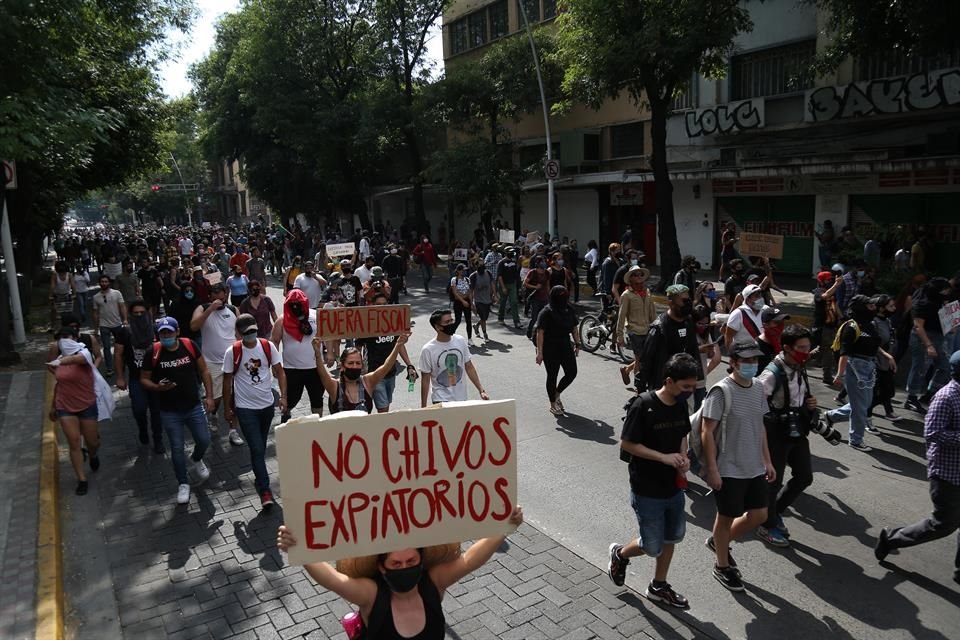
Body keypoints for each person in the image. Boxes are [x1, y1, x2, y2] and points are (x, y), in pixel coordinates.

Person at [276, 506, 524, 639]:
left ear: (421, 559)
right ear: (381, 566)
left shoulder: (433, 584)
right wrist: (299, 550)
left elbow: (470, 560)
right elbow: (332, 580)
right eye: (397, 564)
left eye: (411, 561)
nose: (405, 567)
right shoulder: (372, 595)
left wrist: (504, 528)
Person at [607, 353, 697, 608]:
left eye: (692, 387)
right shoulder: (643, 405)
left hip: (673, 487)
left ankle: (659, 585)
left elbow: (683, 434)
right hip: (646, 488)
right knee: (652, 545)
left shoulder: (680, 405)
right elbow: (627, 443)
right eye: (685, 387)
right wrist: (663, 458)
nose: (689, 392)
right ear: (669, 381)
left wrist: (683, 458)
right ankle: (620, 554)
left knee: (672, 536)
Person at [875, 350, 960, 585]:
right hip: (948, 474)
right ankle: (891, 539)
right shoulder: (946, 397)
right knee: (943, 525)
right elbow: (932, 433)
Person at [700, 339, 777, 592]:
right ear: (732, 363)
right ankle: (722, 566)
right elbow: (706, 432)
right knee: (726, 517)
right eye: (746, 361)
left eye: (755, 361)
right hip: (729, 467)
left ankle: (719, 542)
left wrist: (766, 460)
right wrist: (712, 469)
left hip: (754, 465)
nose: (752, 366)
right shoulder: (721, 391)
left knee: (759, 515)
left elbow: (760, 426)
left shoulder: (757, 388)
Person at [756, 325, 839, 548]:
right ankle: (766, 524)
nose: (806, 351)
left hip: (797, 430)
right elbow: (755, 404)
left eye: (808, 347)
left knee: (804, 477)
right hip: (776, 434)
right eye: (801, 348)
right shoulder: (771, 374)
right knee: (773, 481)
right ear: (786, 348)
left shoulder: (799, 366)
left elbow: (800, 395)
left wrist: (808, 404)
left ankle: (774, 512)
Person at [139, 317, 215, 505]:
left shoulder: (189, 345)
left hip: (193, 405)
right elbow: (144, 379)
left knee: (204, 439)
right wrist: (157, 388)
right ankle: (183, 483)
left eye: (169, 332)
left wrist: (209, 396)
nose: (166, 336)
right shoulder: (153, 352)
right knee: (176, 448)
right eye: (162, 333)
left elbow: (204, 370)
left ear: (177, 331)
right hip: (169, 410)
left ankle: (197, 459)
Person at [222, 314, 287, 510]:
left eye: (253, 331)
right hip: (245, 409)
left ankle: (260, 480)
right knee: (257, 448)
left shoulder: (268, 346)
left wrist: (283, 396)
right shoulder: (232, 352)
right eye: (246, 333)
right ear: (239, 334)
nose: (251, 336)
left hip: (267, 407)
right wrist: (227, 408)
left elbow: (280, 371)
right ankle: (265, 491)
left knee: (259, 444)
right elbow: (226, 382)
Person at [823, 295, 896, 451]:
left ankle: (831, 416)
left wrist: (886, 355)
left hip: (869, 367)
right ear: (860, 308)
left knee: (863, 404)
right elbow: (844, 353)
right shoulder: (851, 327)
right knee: (861, 407)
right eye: (869, 306)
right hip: (855, 369)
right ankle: (856, 439)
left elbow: (873, 344)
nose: (873, 308)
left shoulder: (869, 324)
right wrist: (840, 374)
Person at [48, 327, 103, 495]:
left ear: (76, 337)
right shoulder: (57, 358)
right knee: (73, 442)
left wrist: (61, 362)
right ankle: (81, 479)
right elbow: (59, 383)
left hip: (87, 404)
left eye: (67, 337)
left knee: (92, 441)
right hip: (65, 405)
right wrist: (53, 406)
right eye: (61, 338)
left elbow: (77, 359)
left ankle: (93, 455)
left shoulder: (85, 354)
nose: (65, 341)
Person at [190, 282, 245, 445]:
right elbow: (194, 326)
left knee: (233, 397)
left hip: (233, 360)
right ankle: (213, 416)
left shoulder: (233, 310)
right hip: (212, 362)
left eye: (222, 296)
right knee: (216, 398)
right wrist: (210, 309)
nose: (220, 300)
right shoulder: (202, 308)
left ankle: (233, 430)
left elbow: (240, 332)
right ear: (210, 297)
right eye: (216, 297)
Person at [314, 331, 411, 415]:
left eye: (358, 363)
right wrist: (318, 354)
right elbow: (322, 374)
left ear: (362, 365)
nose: (355, 366)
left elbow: (386, 366)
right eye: (351, 363)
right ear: (342, 366)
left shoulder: (368, 382)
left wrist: (398, 345)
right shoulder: (334, 386)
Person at [114, 300, 164, 453]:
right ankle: (142, 429)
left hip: (156, 378)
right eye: (136, 313)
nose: (139, 315)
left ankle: (158, 440)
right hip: (137, 378)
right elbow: (118, 355)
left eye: (142, 313)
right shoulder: (125, 332)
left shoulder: (156, 330)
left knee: (157, 411)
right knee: (139, 409)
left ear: (148, 313)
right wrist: (120, 377)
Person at [271, 289, 326, 420]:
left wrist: (331, 354)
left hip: (315, 366)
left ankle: (318, 421)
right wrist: (275, 364)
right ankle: (286, 415)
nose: (296, 307)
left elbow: (327, 335)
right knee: (291, 398)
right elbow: (274, 341)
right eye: (293, 304)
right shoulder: (282, 320)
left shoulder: (316, 316)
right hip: (292, 368)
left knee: (317, 397)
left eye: (299, 303)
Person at [360, 292, 418, 413]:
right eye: (378, 304)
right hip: (375, 372)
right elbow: (358, 345)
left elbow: (399, 345)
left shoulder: (394, 324)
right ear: (372, 306)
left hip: (391, 373)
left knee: (386, 404)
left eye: (384, 304)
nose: (382, 307)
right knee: (383, 408)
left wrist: (409, 365)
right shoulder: (367, 325)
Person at [420, 309, 490, 407]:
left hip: (461, 399)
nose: (451, 324)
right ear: (438, 327)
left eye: (452, 320)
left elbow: (469, 366)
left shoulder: (460, 341)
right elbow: (425, 379)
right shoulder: (428, 350)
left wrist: (481, 390)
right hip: (441, 400)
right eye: (447, 322)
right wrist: (423, 407)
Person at [640, 285, 702, 393]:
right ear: (671, 303)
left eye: (688, 300)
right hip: (663, 387)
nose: (687, 304)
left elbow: (693, 350)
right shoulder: (659, 328)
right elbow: (646, 359)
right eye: (683, 301)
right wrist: (640, 388)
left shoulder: (688, 322)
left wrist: (697, 377)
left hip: (684, 386)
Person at [906, 277, 953, 414]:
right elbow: (918, 326)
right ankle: (912, 397)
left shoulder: (942, 304)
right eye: (945, 290)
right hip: (923, 338)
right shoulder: (922, 304)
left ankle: (930, 394)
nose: (947, 293)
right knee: (919, 366)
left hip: (938, 337)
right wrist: (928, 345)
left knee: (945, 366)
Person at [535, 286, 580, 415]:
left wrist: (578, 344)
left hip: (565, 344)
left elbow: (574, 328)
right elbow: (540, 332)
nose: (563, 298)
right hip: (550, 347)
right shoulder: (546, 312)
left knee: (572, 372)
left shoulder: (569, 309)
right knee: (552, 375)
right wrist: (540, 353)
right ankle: (553, 404)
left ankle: (557, 393)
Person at [615, 266, 656, 389]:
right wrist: (620, 336)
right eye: (635, 274)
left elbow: (652, 313)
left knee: (645, 357)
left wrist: (657, 327)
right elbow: (621, 316)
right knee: (639, 359)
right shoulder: (627, 295)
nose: (639, 276)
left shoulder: (647, 292)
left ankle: (627, 370)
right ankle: (639, 385)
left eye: (640, 274)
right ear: (631, 279)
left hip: (647, 330)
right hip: (634, 331)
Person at [91, 275, 127, 376]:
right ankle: (110, 368)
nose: (104, 283)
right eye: (102, 281)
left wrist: (125, 319)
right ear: (99, 283)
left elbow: (122, 306)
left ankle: (122, 364)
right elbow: (95, 312)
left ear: (109, 283)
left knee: (121, 346)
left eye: (106, 281)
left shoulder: (116, 293)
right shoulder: (96, 297)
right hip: (104, 325)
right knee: (106, 348)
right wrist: (96, 327)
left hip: (117, 323)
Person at [523, 258, 550, 340]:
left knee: (545, 317)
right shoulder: (532, 272)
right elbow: (525, 283)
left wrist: (549, 296)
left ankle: (543, 333)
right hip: (535, 298)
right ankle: (529, 331)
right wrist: (535, 287)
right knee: (534, 317)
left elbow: (548, 285)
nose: (542, 270)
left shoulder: (547, 273)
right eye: (541, 268)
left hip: (544, 298)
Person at [469, 260, 496, 343]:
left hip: (487, 299)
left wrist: (495, 294)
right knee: (483, 317)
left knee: (484, 317)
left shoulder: (488, 273)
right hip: (478, 300)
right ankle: (485, 334)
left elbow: (492, 284)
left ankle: (476, 326)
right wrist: (472, 303)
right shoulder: (473, 276)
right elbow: (471, 290)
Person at [449, 264, 474, 344]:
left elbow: (469, 292)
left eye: (465, 270)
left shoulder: (467, 279)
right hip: (458, 302)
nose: (464, 271)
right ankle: (450, 334)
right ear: (458, 271)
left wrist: (471, 303)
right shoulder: (454, 280)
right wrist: (463, 301)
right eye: (463, 270)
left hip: (467, 301)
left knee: (468, 320)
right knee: (458, 320)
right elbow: (455, 293)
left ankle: (470, 339)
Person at [496, 248, 521, 329]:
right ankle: (500, 318)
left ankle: (516, 321)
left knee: (514, 302)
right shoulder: (501, 262)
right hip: (504, 284)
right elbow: (499, 276)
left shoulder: (514, 262)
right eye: (510, 252)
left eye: (512, 252)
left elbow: (516, 275)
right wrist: (503, 287)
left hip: (512, 284)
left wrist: (519, 285)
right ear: (506, 253)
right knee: (503, 302)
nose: (512, 254)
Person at [50, 261, 75, 330]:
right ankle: (54, 325)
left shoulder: (69, 275)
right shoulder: (55, 275)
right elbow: (52, 286)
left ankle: (67, 325)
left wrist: (74, 294)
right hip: (58, 295)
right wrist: (51, 295)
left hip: (66, 295)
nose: (62, 274)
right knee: (55, 310)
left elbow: (73, 286)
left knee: (68, 310)